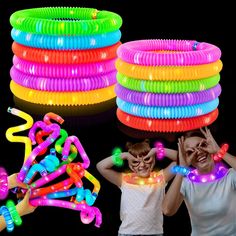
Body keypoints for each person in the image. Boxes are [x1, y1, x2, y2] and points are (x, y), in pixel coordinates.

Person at [162, 127, 236, 236]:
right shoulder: (187, 183)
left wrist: (219, 151)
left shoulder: (229, 176)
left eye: (202, 145)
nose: (198, 152)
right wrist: (182, 167)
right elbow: (167, 210)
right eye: (190, 151)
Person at [96, 139, 177, 236]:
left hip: (154, 233)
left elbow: (180, 160)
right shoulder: (124, 179)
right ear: (130, 165)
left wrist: (156, 150)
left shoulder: (160, 177)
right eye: (136, 162)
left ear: (153, 159)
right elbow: (101, 166)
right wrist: (124, 155)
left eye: (147, 159)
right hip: (128, 233)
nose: (142, 165)